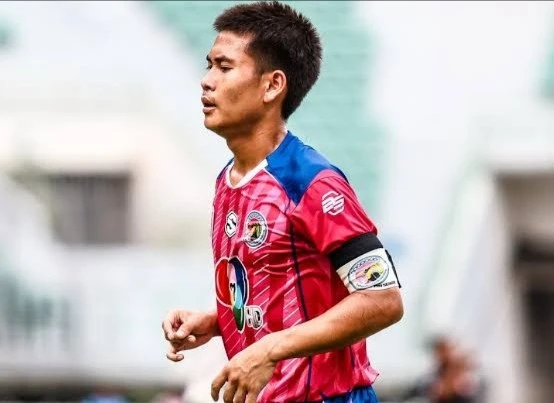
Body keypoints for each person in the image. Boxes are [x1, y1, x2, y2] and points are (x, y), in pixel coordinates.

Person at [162, 2, 404, 402]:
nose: (207, 81)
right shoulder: (227, 182)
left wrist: (270, 349)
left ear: (272, 86)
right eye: (209, 66)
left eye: (224, 67)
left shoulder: (310, 183)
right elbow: (284, 294)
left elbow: (384, 300)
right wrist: (218, 320)